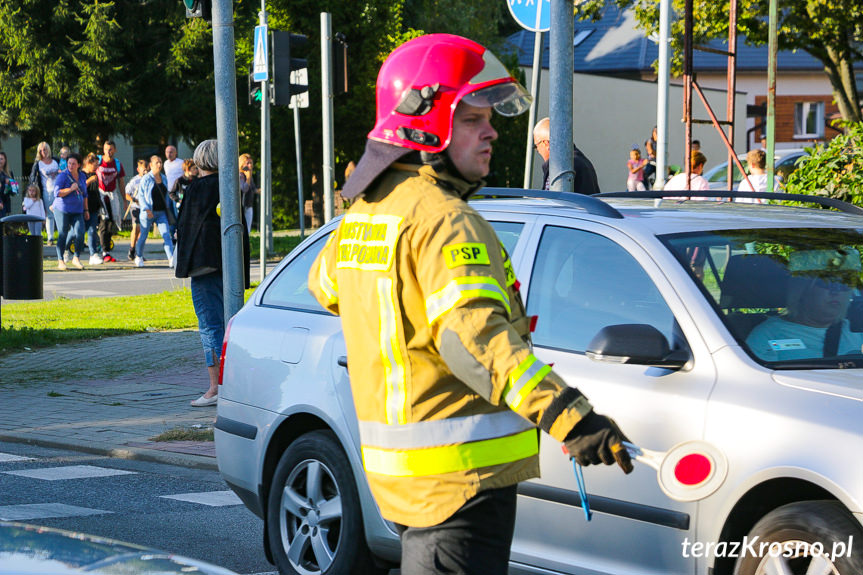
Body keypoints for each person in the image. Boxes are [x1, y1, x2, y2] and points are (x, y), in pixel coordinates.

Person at [308, 34, 632, 575]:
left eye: (490, 117)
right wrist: (571, 419)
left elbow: (328, 287)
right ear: (423, 122)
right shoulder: (443, 218)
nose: (493, 131)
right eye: (472, 119)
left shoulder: (369, 210)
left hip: (407, 480)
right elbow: (474, 342)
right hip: (461, 484)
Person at [175, 139, 250, 407]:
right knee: (231, 323)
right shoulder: (229, 186)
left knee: (209, 325)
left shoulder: (196, 188)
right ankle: (235, 384)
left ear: (200, 160)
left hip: (204, 265)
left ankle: (215, 387)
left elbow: (184, 226)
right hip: (229, 265)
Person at [746, 249, 863, 361]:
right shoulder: (769, 334)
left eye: (844, 285)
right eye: (826, 284)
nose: (836, 292)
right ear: (803, 291)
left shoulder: (856, 330)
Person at [532, 117, 600, 195]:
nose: (538, 151)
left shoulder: (558, 166)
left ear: (546, 143)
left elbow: (551, 201)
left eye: (536, 146)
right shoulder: (583, 161)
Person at [135, 155, 175, 268]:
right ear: (151, 165)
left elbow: (167, 195)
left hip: (161, 212)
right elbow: (141, 196)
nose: (159, 165)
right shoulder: (146, 179)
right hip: (148, 212)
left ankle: (171, 258)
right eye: (157, 162)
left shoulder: (164, 178)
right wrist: (146, 209)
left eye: (161, 162)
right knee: (143, 235)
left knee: (166, 234)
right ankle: (138, 256)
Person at [52, 152, 88, 270]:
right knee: (63, 233)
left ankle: (76, 258)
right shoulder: (62, 176)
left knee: (80, 233)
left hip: (77, 210)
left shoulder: (82, 176)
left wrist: (86, 209)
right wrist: (70, 189)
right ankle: (60, 260)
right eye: (69, 163)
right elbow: (57, 193)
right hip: (62, 209)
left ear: (78, 165)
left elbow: (85, 194)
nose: (71, 166)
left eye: (73, 164)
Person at [96, 140, 125, 260]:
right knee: (104, 222)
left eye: (111, 149)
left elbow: (121, 182)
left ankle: (104, 247)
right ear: (103, 150)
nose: (109, 152)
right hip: (99, 195)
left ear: (115, 150)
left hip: (112, 196)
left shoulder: (117, 164)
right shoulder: (98, 161)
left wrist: (124, 199)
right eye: (106, 149)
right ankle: (104, 251)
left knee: (111, 222)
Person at [29, 142, 59, 245]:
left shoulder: (56, 161)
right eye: (41, 150)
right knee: (49, 215)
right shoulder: (38, 164)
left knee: (60, 213)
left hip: (58, 191)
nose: (43, 152)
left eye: (45, 149)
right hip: (46, 191)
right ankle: (50, 238)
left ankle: (61, 235)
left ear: (48, 149)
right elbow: (33, 178)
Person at [125, 159, 148, 261]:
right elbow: (126, 194)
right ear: (138, 169)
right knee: (136, 227)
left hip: (145, 207)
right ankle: (132, 248)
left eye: (146, 169)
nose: (145, 171)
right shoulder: (134, 181)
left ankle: (139, 252)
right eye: (143, 169)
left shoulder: (149, 179)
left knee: (143, 231)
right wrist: (134, 199)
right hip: (136, 207)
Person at [82, 153, 103, 264]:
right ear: (88, 163)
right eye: (95, 165)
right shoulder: (82, 174)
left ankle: (93, 254)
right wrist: (90, 180)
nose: (97, 167)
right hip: (82, 207)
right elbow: (80, 187)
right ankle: (65, 249)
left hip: (93, 207)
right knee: (78, 231)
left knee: (92, 230)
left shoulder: (94, 174)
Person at [238, 153, 258, 234]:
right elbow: (244, 189)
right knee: (243, 229)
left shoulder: (249, 174)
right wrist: (248, 177)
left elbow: (253, 189)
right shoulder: (240, 175)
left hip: (249, 204)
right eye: (247, 163)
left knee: (248, 229)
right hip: (242, 205)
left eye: (251, 163)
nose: (250, 165)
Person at [0, 151, 18, 217]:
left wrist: (9, 185)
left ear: (5, 160)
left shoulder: (9, 173)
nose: (0, 161)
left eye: (1, 159)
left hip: (5, 203)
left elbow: (14, 192)